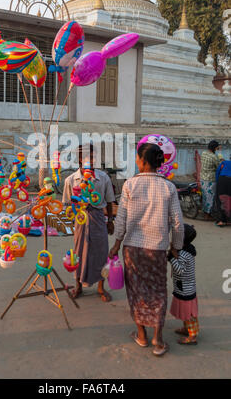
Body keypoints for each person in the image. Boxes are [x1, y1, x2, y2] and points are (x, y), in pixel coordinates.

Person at [109, 143, 184, 357]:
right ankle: (158, 339)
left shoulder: (130, 185)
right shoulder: (168, 187)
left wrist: (116, 244)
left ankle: (141, 334)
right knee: (158, 290)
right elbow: (178, 223)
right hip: (157, 248)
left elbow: (121, 219)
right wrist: (176, 247)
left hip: (132, 248)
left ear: (143, 161)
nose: (136, 162)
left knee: (136, 290)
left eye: (137, 158)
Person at [62, 144, 115, 302]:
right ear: (80, 159)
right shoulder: (71, 180)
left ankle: (101, 287)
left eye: (94, 157)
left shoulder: (103, 178)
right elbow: (66, 205)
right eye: (89, 157)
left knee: (101, 253)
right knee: (79, 253)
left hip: (98, 218)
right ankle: (78, 285)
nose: (93, 160)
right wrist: (74, 212)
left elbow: (110, 201)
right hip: (80, 220)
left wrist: (110, 220)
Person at [168, 224, 199, 345]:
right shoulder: (185, 250)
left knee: (190, 314)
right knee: (186, 312)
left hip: (186, 290)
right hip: (182, 288)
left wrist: (172, 257)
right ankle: (187, 329)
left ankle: (193, 335)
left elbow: (179, 270)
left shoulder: (184, 254)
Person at [200, 140, 221, 220]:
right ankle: (207, 215)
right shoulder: (214, 157)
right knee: (210, 198)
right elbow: (218, 167)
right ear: (215, 148)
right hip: (211, 180)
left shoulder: (203, 153)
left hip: (203, 178)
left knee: (205, 196)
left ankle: (205, 212)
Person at [212, 158, 231, 227]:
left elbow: (217, 172)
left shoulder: (224, 162)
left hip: (222, 180)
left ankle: (221, 221)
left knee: (220, 200)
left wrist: (218, 182)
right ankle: (229, 220)